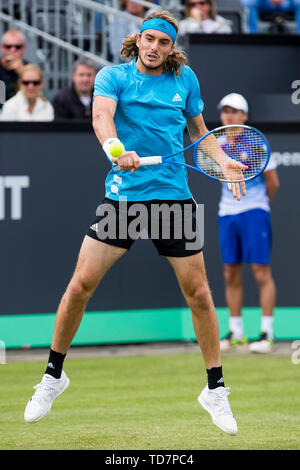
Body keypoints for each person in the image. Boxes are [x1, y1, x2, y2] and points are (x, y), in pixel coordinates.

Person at [24, 10, 248, 435]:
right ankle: (53, 377)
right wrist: (115, 148)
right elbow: (101, 118)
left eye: (163, 43)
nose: (155, 48)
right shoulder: (113, 76)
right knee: (79, 286)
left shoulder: (186, 80)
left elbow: (199, 133)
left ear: (171, 47)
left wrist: (224, 162)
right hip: (124, 199)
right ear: (137, 40)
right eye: (149, 39)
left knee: (199, 294)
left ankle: (215, 390)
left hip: (175, 200)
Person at [217, 93, 280, 354]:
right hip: (227, 213)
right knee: (230, 273)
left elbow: (272, 183)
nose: (229, 116)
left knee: (260, 272)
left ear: (244, 116)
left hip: (254, 211)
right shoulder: (217, 144)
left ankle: (266, 333)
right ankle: (236, 332)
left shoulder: (257, 144)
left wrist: (259, 206)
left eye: (235, 111)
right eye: (225, 111)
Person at [0, 29, 27, 107]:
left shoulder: (30, 68)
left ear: (24, 48)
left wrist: (22, 72)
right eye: (8, 47)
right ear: (2, 48)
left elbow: (38, 96)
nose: (13, 50)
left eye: (17, 47)